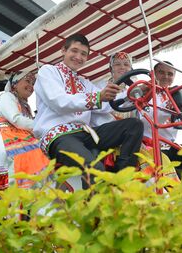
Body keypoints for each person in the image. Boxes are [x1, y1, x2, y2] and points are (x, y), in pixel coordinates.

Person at [33, 33, 143, 187]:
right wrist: (98, 97)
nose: (78, 57)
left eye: (83, 54)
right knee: (95, 169)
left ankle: (123, 180)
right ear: (63, 51)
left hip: (86, 133)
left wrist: (131, 94)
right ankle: (94, 209)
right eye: (74, 51)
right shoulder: (48, 71)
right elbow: (58, 101)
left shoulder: (85, 83)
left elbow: (105, 105)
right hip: (59, 135)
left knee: (134, 125)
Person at [97, 52, 179, 183]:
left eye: (126, 64)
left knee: (159, 158)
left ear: (131, 69)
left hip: (135, 137)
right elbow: (99, 108)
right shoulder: (100, 87)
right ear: (110, 68)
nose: (122, 67)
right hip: (109, 134)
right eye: (117, 64)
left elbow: (146, 116)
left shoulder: (141, 88)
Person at [0, 71, 50, 190]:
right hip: (5, 136)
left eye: (33, 83)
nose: (31, 86)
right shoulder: (7, 96)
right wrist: (43, 126)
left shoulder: (25, 105)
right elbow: (17, 120)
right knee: (31, 153)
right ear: (15, 84)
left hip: (20, 136)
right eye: (28, 81)